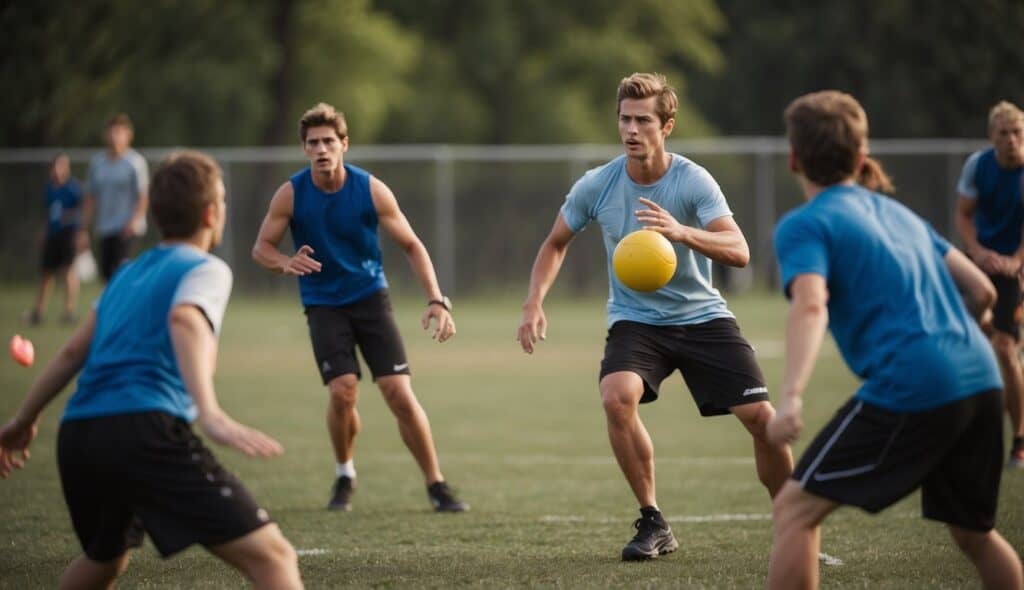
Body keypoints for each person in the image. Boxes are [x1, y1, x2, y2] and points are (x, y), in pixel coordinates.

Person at [516, 72, 793, 561]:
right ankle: (653, 521)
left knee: (762, 420)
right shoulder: (597, 185)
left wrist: (682, 232)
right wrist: (533, 301)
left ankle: (793, 524)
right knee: (616, 396)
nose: (631, 129)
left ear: (667, 126)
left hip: (703, 316)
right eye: (625, 118)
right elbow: (555, 243)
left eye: (643, 119)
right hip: (636, 319)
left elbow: (740, 250)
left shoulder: (693, 180)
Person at [0, 151, 304, 589]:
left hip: (79, 436)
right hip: (143, 431)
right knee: (274, 558)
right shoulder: (207, 269)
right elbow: (185, 320)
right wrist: (211, 414)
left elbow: (71, 353)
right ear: (210, 213)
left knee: (104, 559)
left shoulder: (125, 273)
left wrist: (22, 420)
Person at [768, 90, 1023, 590]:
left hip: (916, 382)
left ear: (794, 158)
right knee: (975, 534)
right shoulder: (900, 214)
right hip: (981, 377)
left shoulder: (805, 224)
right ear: (861, 158)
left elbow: (811, 303)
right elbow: (982, 290)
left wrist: (792, 396)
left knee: (794, 509)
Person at [252, 102, 468, 513]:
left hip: (370, 298)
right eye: (313, 142)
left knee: (399, 394)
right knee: (342, 391)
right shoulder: (291, 193)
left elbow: (412, 245)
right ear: (304, 149)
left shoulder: (370, 188)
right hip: (322, 304)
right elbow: (261, 247)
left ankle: (436, 483)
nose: (321, 149)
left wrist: (437, 300)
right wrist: (284, 263)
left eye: (329, 141)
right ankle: (344, 471)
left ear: (344, 145)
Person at [955, 100, 1024, 468]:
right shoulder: (977, 166)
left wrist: (1015, 260)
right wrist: (977, 251)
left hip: (1016, 266)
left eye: (1017, 133)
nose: (1011, 140)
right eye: (1004, 134)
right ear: (991, 137)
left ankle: (1019, 440)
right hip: (982, 262)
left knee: (1004, 350)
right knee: (966, 334)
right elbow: (964, 215)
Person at [83, 112, 150, 281]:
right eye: (111, 132)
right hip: (105, 227)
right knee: (106, 276)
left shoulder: (135, 162)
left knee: (124, 274)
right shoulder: (97, 164)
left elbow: (143, 196)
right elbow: (90, 197)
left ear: (128, 135)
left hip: (127, 229)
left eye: (119, 132)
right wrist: (83, 228)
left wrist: (134, 221)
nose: (115, 137)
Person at [27, 153, 83, 325]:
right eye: (55, 167)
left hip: (68, 235)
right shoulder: (50, 189)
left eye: (61, 166)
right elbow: (50, 213)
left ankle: (69, 312)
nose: (57, 170)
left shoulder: (73, 188)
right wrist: (44, 230)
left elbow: (82, 210)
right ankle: (38, 312)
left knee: (68, 271)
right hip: (53, 235)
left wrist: (78, 230)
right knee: (46, 273)